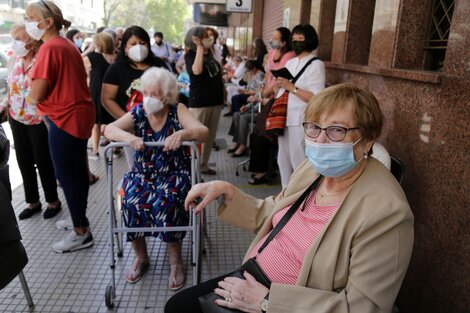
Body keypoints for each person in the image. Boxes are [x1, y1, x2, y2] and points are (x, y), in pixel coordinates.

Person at [165, 83, 414, 313]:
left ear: (367, 140)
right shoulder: (313, 169)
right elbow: (274, 213)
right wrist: (229, 191)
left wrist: (266, 302)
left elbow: (362, 308)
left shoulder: (387, 213)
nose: (320, 141)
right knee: (177, 306)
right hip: (253, 276)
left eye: (337, 130)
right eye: (314, 127)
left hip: (286, 303)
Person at [104, 67, 209, 289]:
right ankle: (142, 258)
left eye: (155, 94)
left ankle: (175, 262)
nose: (149, 98)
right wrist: (128, 137)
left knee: (168, 201)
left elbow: (202, 131)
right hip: (143, 173)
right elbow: (109, 130)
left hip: (174, 172)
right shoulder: (138, 112)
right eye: (147, 93)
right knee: (131, 200)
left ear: (167, 95)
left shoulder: (177, 110)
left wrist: (183, 133)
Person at [25, 0, 95, 253]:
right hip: (76, 115)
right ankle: (79, 220)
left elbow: (37, 92)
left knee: (67, 175)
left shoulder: (50, 48)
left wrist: (30, 97)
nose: (27, 22)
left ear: (48, 21)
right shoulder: (64, 44)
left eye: (30, 17)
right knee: (76, 172)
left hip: (64, 118)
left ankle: (81, 231)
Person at [0, 23, 60, 220]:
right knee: (24, 161)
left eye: (21, 38)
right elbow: (11, 88)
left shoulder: (41, 60)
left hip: (38, 119)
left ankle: (53, 201)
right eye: (14, 38)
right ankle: (32, 201)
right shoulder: (12, 61)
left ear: (33, 42)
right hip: (16, 117)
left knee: (43, 161)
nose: (16, 43)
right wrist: (4, 103)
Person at [102, 25, 167, 167]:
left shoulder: (159, 65)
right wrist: (128, 121)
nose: (138, 47)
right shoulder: (116, 69)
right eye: (133, 44)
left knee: (163, 165)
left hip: (161, 127)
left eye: (142, 43)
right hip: (131, 131)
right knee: (138, 168)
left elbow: (171, 93)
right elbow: (107, 98)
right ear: (125, 48)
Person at [275, 24, 325, 188]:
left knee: (299, 162)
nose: (296, 42)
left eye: (300, 39)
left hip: (300, 120)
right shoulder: (290, 62)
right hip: (283, 118)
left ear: (309, 40)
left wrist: (292, 88)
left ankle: (301, 198)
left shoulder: (316, 64)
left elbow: (317, 97)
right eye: (294, 39)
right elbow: (283, 89)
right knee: (283, 161)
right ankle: (284, 196)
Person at [247, 27, 295, 185]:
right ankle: (258, 168)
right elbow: (269, 75)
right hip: (268, 97)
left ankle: (263, 172)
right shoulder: (273, 53)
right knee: (256, 134)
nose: (272, 41)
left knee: (264, 137)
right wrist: (262, 91)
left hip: (278, 101)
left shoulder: (289, 57)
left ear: (284, 41)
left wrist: (264, 94)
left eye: (275, 38)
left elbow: (279, 81)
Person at [184, 26, 224, 175]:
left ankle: (203, 165)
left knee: (209, 136)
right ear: (196, 39)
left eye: (209, 36)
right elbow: (197, 70)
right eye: (205, 36)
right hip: (199, 101)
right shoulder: (191, 55)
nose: (209, 39)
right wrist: (199, 48)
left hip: (215, 100)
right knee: (195, 135)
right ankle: (190, 166)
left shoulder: (211, 54)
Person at [83, 32, 117, 160]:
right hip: (113, 91)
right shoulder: (115, 57)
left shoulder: (93, 57)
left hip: (97, 91)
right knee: (112, 121)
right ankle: (115, 147)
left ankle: (96, 150)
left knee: (96, 123)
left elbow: (77, 60)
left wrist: (88, 49)